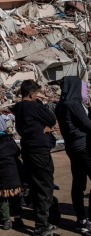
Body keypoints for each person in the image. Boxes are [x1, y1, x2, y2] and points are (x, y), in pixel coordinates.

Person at [12, 80, 57, 236]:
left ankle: (42, 221)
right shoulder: (33, 106)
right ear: (31, 94)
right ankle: (41, 225)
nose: (38, 96)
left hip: (29, 150)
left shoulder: (18, 108)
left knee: (37, 185)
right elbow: (51, 119)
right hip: (39, 151)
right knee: (45, 186)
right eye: (37, 94)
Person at [55, 76, 91, 234]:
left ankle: (81, 219)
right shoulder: (73, 105)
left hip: (72, 148)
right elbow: (88, 125)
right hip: (84, 148)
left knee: (78, 183)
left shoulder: (60, 105)